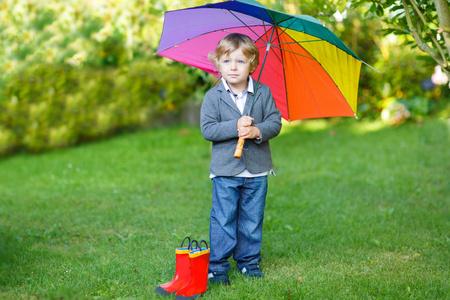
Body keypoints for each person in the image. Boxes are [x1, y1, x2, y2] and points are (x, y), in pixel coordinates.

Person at [200, 33, 282, 285]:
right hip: (225, 171)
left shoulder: (263, 93)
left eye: (240, 62)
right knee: (223, 218)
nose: (233, 67)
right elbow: (208, 130)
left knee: (251, 218)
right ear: (218, 64)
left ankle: (248, 261)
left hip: (256, 171)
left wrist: (257, 131)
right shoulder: (213, 97)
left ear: (253, 65)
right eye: (226, 62)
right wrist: (235, 125)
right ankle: (218, 266)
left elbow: (275, 122)